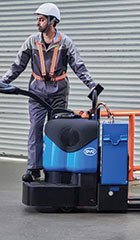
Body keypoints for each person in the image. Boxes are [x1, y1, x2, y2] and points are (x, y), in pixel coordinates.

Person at [0, 3, 97, 181]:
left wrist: (92, 85)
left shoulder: (66, 43)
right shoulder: (31, 41)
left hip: (59, 92)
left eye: (42, 19)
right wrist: (3, 82)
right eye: (37, 19)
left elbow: (79, 67)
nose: (38, 22)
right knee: (35, 128)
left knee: (57, 129)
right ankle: (34, 168)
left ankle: (55, 168)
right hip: (36, 93)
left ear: (53, 21)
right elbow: (17, 65)